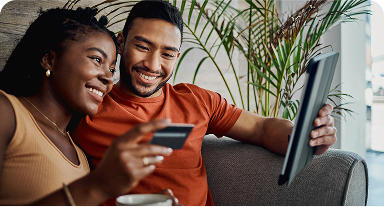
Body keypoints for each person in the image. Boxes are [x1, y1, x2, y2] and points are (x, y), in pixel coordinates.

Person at [71, 0, 337, 205]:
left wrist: (307, 135)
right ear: (121, 42)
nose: (153, 64)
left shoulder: (196, 101)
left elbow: (262, 128)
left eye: (167, 53)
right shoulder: (88, 108)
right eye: (143, 47)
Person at [0, 7, 175, 205]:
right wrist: (96, 186)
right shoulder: (7, 112)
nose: (108, 78)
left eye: (111, 68)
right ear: (49, 59)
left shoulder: (80, 154)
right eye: (96, 59)